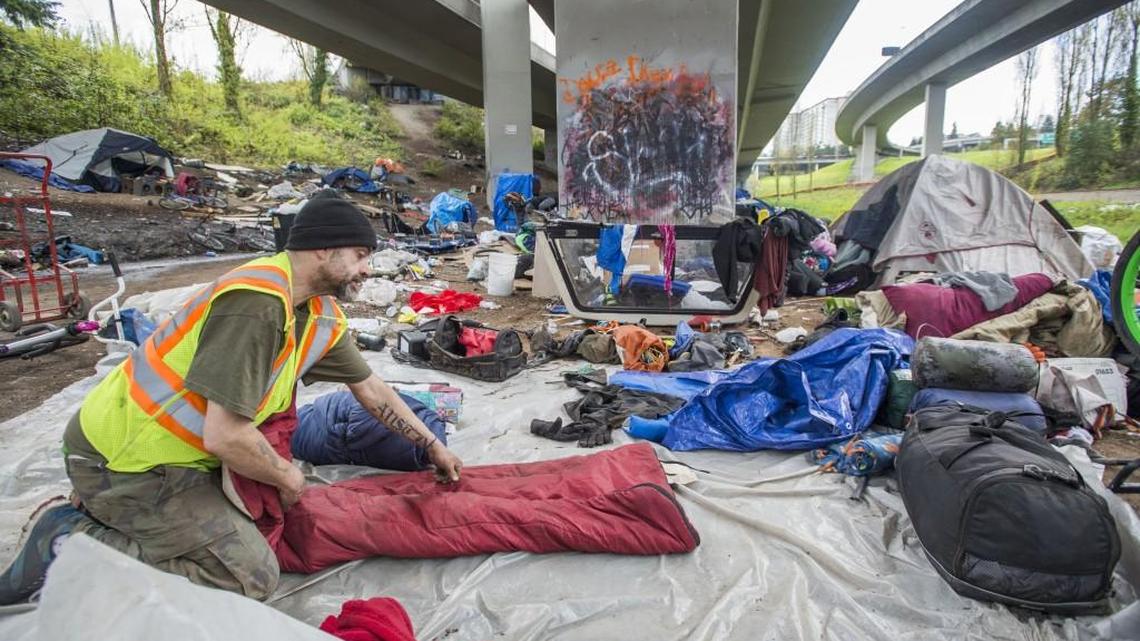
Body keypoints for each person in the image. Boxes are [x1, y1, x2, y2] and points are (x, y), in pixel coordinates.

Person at [0, 195, 463, 604]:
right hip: (124, 462)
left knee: (257, 527)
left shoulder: (316, 311)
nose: (367, 269)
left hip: (180, 458)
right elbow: (225, 436)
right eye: (361, 255)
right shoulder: (257, 304)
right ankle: (68, 538)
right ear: (325, 248)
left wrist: (431, 446)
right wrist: (289, 477)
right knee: (248, 577)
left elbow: (371, 388)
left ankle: (112, 521)